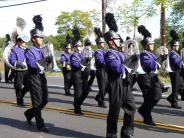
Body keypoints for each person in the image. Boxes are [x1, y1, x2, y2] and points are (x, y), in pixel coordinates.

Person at [104, 13, 136, 138]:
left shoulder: (122, 53)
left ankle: (127, 133)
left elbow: (130, 65)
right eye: (117, 39)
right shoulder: (110, 54)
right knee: (114, 112)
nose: (119, 40)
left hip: (126, 84)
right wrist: (129, 61)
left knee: (131, 108)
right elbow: (118, 68)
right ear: (111, 41)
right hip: (116, 84)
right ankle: (111, 135)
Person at [24, 15, 52, 132]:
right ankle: (40, 124)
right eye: (39, 37)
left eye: (42, 37)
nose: (42, 39)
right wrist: (45, 60)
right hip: (33, 76)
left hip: (41, 76)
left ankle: (29, 113)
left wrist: (50, 62)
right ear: (34, 39)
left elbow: (46, 65)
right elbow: (32, 64)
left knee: (45, 100)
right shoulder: (29, 50)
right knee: (37, 101)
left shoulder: (43, 49)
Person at [136, 25, 162, 126]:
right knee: (149, 97)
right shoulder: (144, 55)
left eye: (152, 44)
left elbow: (155, 68)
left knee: (157, 95)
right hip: (144, 78)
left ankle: (143, 110)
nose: (153, 45)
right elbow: (150, 66)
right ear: (146, 45)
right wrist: (160, 59)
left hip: (152, 77)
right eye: (150, 44)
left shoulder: (151, 54)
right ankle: (147, 117)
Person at [9, 34, 30, 106]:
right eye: (23, 42)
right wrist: (20, 64)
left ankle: (21, 96)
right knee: (18, 86)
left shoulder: (27, 50)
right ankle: (19, 100)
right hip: (19, 70)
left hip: (27, 70)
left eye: (25, 42)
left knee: (29, 85)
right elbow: (12, 60)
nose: (25, 43)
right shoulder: (14, 50)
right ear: (19, 42)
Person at [167, 30, 184, 108]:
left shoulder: (176, 53)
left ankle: (171, 98)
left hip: (178, 71)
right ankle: (174, 102)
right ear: (173, 46)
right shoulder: (172, 54)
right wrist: (182, 60)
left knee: (180, 85)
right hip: (175, 71)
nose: (178, 46)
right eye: (177, 45)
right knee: (176, 87)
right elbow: (178, 63)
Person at [70, 27, 85, 115]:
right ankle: (77, 108)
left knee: (84, 91)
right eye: (78, 46)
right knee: (78, 92)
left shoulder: (80, 54)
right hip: (76, 75)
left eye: (80, 46)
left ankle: (77, 104)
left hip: (82, 75)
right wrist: (84, 63)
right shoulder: (74, 55)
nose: (80, 47)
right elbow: (76, 65)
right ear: (75, 47)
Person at [94, 27, 108, 108]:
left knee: (107, 87)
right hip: (100, 70)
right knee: (102, 87)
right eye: (102, 43)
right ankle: (101, 101)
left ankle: (98, 97)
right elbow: (100, 61)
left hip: (105, 70)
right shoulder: (98, 52)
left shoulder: (104, 51)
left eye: (104, 43)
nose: (104, 44)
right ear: (99, 44)